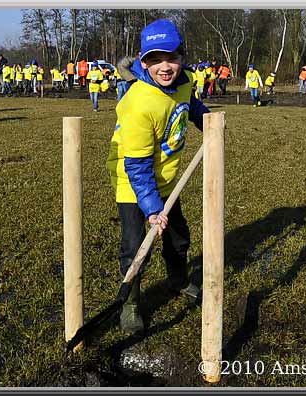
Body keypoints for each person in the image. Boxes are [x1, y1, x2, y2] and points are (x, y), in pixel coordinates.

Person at [106, 18, 209, 334]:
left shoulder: (185, 81)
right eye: (155, 60)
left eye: (172, 57)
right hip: (133, 183)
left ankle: (178, 282)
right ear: (143, 61)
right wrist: (152, 208)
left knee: (178, 238)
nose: (165, 67)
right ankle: (131, 301)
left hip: (167, 180)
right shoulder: (137, 104)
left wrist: (208, 122)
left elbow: (189, 104)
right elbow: (136, 166)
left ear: (182, 57)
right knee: (137, 246)